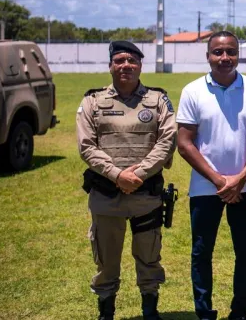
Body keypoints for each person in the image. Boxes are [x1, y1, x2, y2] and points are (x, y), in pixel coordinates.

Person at [77, 40, 177, 320]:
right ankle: (106, 311)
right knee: (106, 260)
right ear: (110, 66)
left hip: (146, 195)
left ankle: (150, 310)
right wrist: (117, 174)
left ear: (140, 66)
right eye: (119, 60)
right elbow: (86, 146)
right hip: (106, 196)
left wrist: (139, 174)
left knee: (149, 256)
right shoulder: (92, 101)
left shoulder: (158, 100)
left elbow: (168, 141)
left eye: (132, 61)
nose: (126, 66)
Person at [176, 31, 246, 320]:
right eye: (218, 52)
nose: (225, 57)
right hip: (206, 188)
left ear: (238, 55)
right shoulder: (192, 91)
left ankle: (240, 311)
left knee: (245, 252)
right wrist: (220, 180)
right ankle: (204, 313)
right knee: (201, 253)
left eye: (231, 51)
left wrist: (240, 179)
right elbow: (184, 144)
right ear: (208, 56)